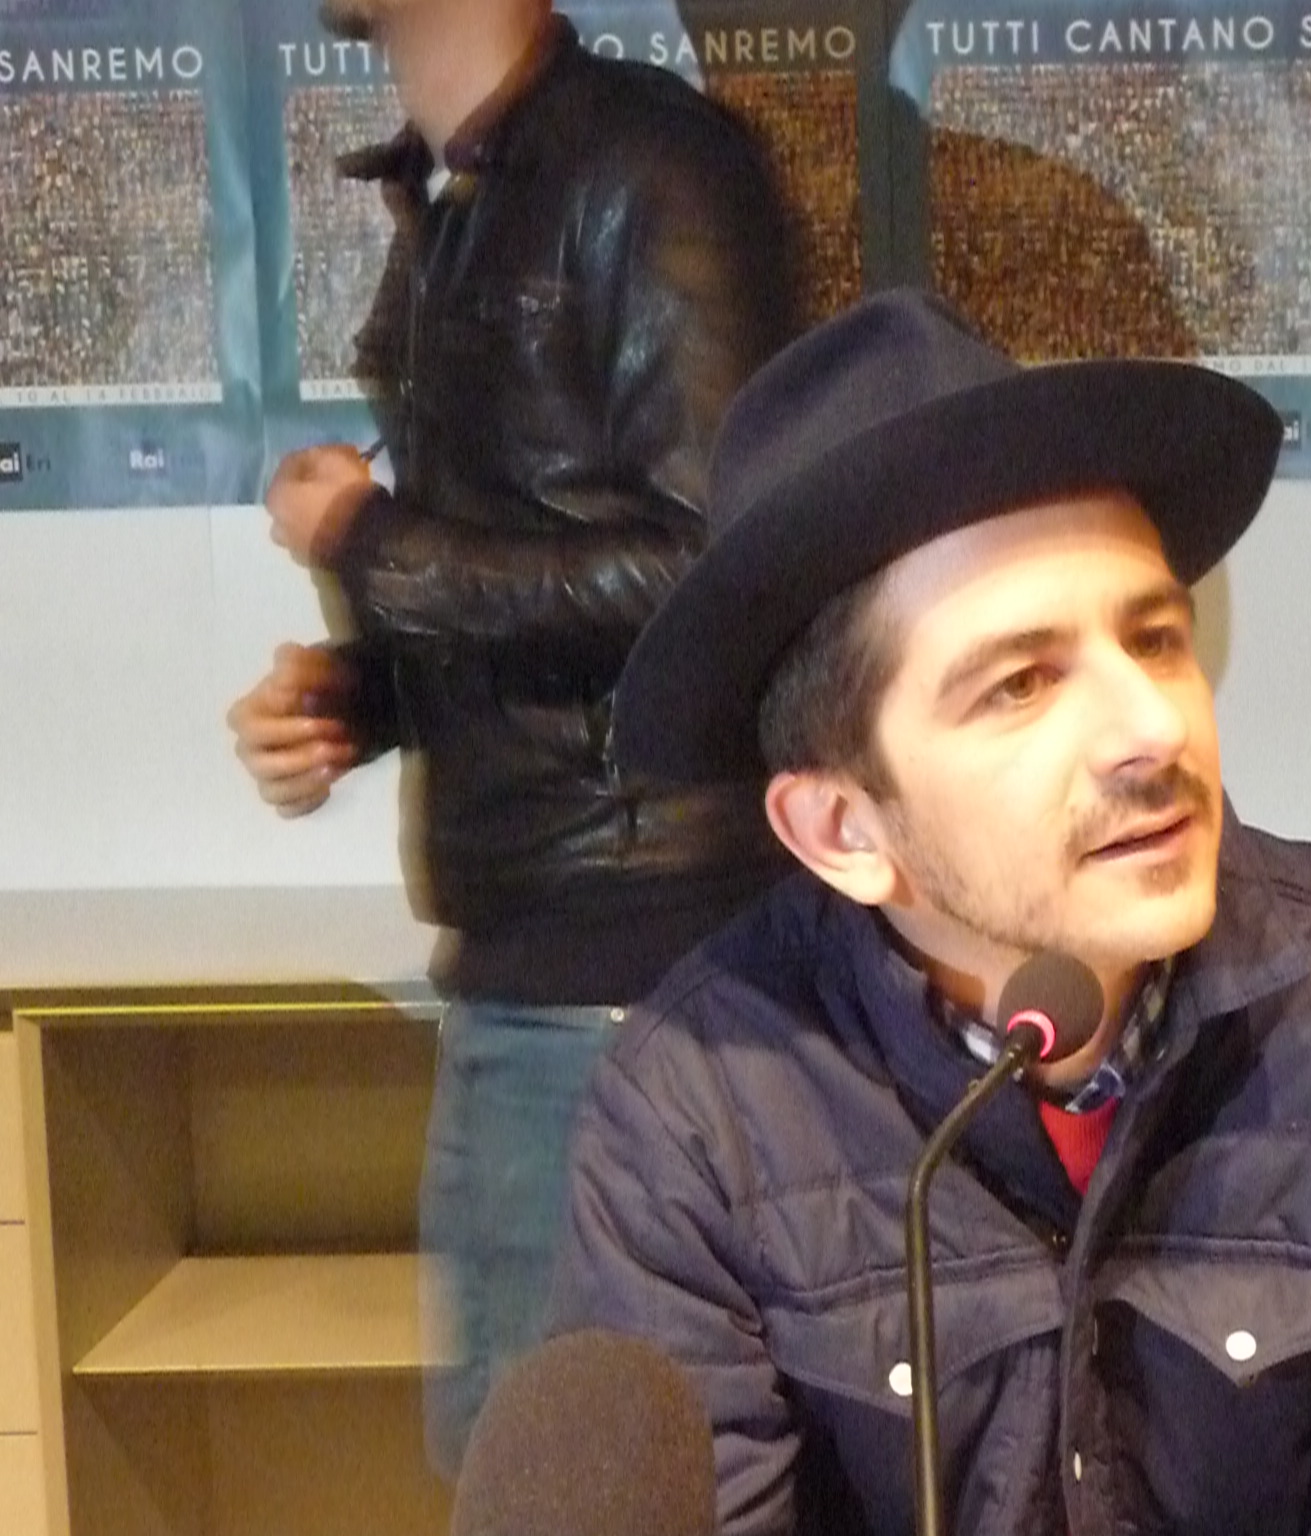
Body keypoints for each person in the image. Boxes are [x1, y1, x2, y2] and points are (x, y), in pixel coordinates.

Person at [548, 289, 1311, 1534]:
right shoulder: (696, 1111)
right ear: (843, 831)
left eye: (1155, 642)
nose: (1152, 728)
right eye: (1021, 685)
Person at [224, 0, 799, 1479]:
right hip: (550, 969)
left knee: (561, 1482)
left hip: (625, 983)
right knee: (538, 1466)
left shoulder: (655, 168)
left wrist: (370, 539)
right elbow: (547, 582)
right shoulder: (461, 191)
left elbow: (715, 570)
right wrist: (359, 701)